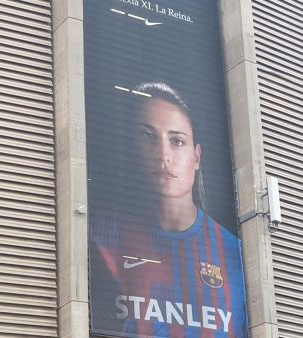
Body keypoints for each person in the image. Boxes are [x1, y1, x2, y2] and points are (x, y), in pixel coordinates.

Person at [90, 82, 248, 337]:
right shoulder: (101, 239)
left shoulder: (237, 256)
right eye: (148, 136)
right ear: (131, 147)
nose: (163, 155)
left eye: (177, 141)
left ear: (196, 157)